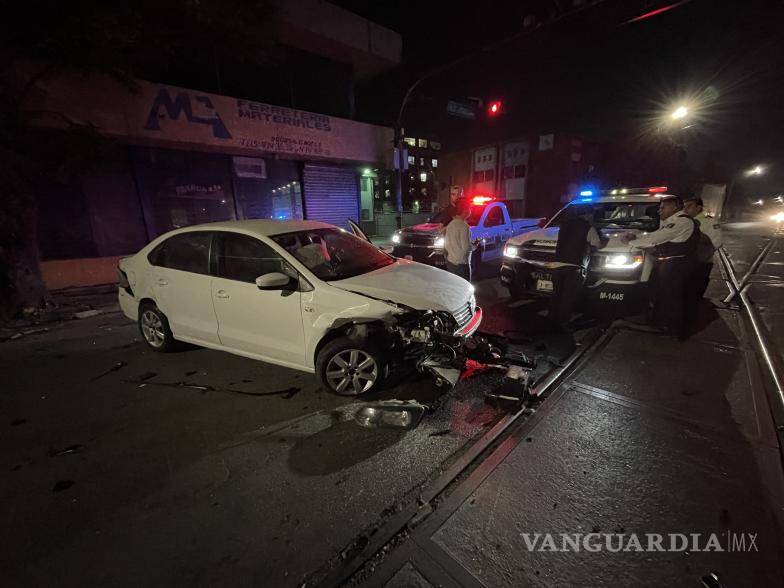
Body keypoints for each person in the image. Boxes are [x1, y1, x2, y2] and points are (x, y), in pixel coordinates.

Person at [622, 196, 700, 339]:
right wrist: (637, 238)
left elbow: (657, 238)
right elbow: (657, 235)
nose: (659, 211)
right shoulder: (674, 222)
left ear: (674, 207)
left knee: (672, 296)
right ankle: (661, 322)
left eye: (663, 208)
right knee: (665, 294)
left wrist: (631, 242)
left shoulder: (682, 222)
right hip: (672, 263)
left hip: (677, 265)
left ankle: (670, 328)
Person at [549, 204, 606, 326]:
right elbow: (597, 245)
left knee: (556, 295)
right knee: (568, 297)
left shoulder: (564, 226)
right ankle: (562, 324)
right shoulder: (588, 228)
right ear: (588, 215)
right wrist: (605, 240)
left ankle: (551, 321)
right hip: (574, 267)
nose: (593, 217)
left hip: (557, 265)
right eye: (592, 215)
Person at [683, 194, 723, 300]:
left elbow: (717, 242)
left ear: (698, 207)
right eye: (684, 206)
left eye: (689, 206)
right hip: (683, 263)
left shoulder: (710, 222)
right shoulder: (682, 222)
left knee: (695, 293)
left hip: (701, 263)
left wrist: (698, 238)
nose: (685, 209)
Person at [444, 203, 475, 281]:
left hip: (451, 261)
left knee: (454, 285)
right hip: (461, 263)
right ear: (464, 211)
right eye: (469, 209)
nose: (470, 211)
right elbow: (466, 248)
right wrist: (474, 246)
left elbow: (446, 244)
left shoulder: (450, 224)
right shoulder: (464, 226)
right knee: (465, 286)